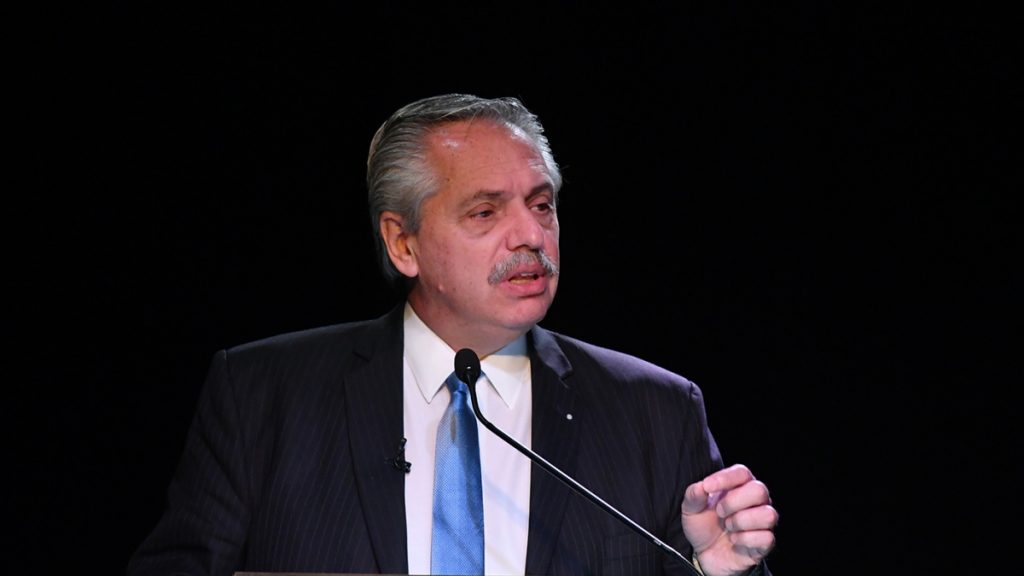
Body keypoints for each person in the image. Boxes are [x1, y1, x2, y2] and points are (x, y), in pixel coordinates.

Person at [127, 93, 778, 576]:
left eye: (542, 204)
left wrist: (716, 572)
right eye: (485, 211)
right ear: (402, 244)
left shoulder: (655, 409)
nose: (530, 235)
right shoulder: (262, 395)